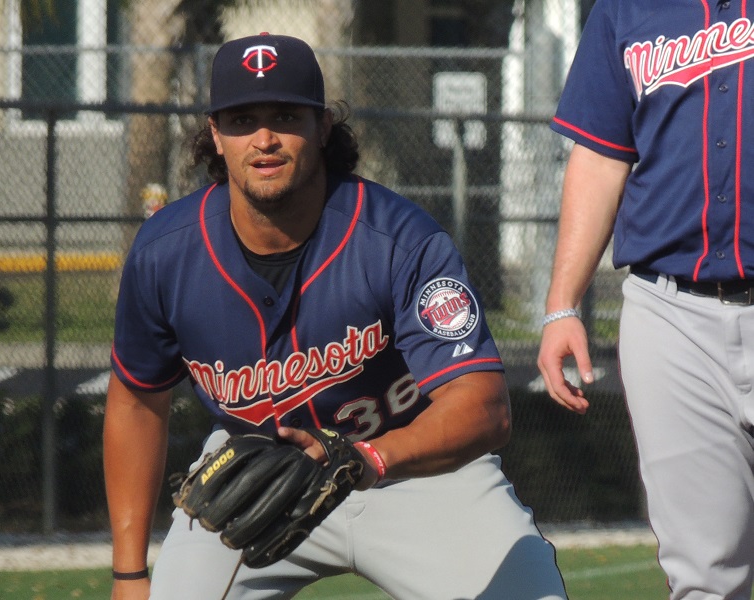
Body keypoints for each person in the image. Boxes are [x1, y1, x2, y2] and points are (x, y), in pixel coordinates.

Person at [104, 32, 566, 600]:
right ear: (215, 136)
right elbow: (135, 401)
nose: (265, 138)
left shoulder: (397, 239)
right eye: (243, 119)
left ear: (322, 128)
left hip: (414, 470)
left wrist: (366, 458)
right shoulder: (167, 251)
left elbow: (484, 405)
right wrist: (128, 574)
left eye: (285, 115)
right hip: (256, 481)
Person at [537, 2, 754, 599]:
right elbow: (602, 156)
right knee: (704, 573)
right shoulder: (626, 9)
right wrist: (562, 306)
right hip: (672, 315)